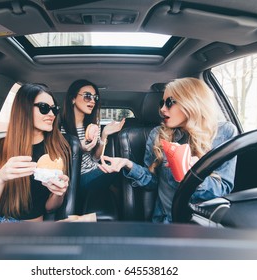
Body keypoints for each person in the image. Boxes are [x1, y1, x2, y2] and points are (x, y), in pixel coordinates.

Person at [99, 77, 238, 223]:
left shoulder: (224, 132)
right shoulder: (158, 134)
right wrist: (127, 163)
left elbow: (223, 188)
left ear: (191, 102)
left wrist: (193, 176)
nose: (162, 109)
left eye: (169, 102)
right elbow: (152, 181)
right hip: (167, 220)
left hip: (205, 221)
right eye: (162, 103)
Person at [0, 83, 71, 224]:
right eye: (44, 108)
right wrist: (0, 178)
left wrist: (58, 193)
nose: (51, 114)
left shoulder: (58, 150)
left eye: (54, 109)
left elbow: (49, 208)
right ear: (24, 109)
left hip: (27, 227)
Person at [60, 79, 125, 194]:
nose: (92, 101)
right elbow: (61, 163)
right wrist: (80, 149)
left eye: (95, 97)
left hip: (94, 169)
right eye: (87, 96)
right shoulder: (61, 127)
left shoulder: (93, 126)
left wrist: (104, 134)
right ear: (73, 99)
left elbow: (95, 157)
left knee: (120, 165)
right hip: (76, 176)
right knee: (119, 169)